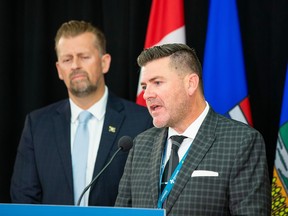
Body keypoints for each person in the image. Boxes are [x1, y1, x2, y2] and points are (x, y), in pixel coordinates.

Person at [115, 43, 271, 215]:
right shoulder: (140, 144)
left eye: (157, 83)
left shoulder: (241, 142)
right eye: (144, 86)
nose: (147, 95)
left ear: (191, 83)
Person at [10, 20, 152, 206]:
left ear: (104, 63)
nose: (75, 65)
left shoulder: (142, 122)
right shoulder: (37, 125)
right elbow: (23, 199)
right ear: (59, 70)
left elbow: (147, 197)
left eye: (84, 56)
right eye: (67, 59)